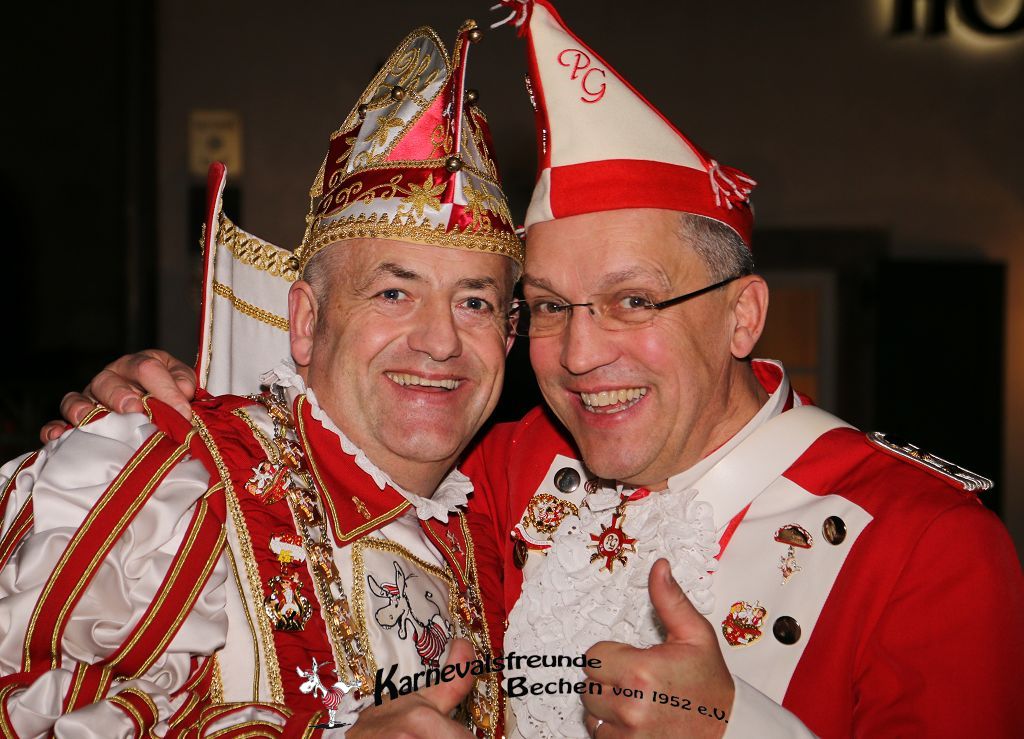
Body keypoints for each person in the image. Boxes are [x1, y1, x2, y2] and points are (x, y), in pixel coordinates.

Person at [47, 1, 1024, 737]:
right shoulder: (511, 472)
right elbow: (337, 441)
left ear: (743, 315)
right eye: (550, 306)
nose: (581, 354)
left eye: (633, 301)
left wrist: (735, 730)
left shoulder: (926, 545)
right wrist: (160, 417)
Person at [2, 20, 519, 737]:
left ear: (510, 336)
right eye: (393, 292)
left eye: (475, 302)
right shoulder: (170, 484)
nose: (440, 341)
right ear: (304, 321)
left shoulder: (490, 537)